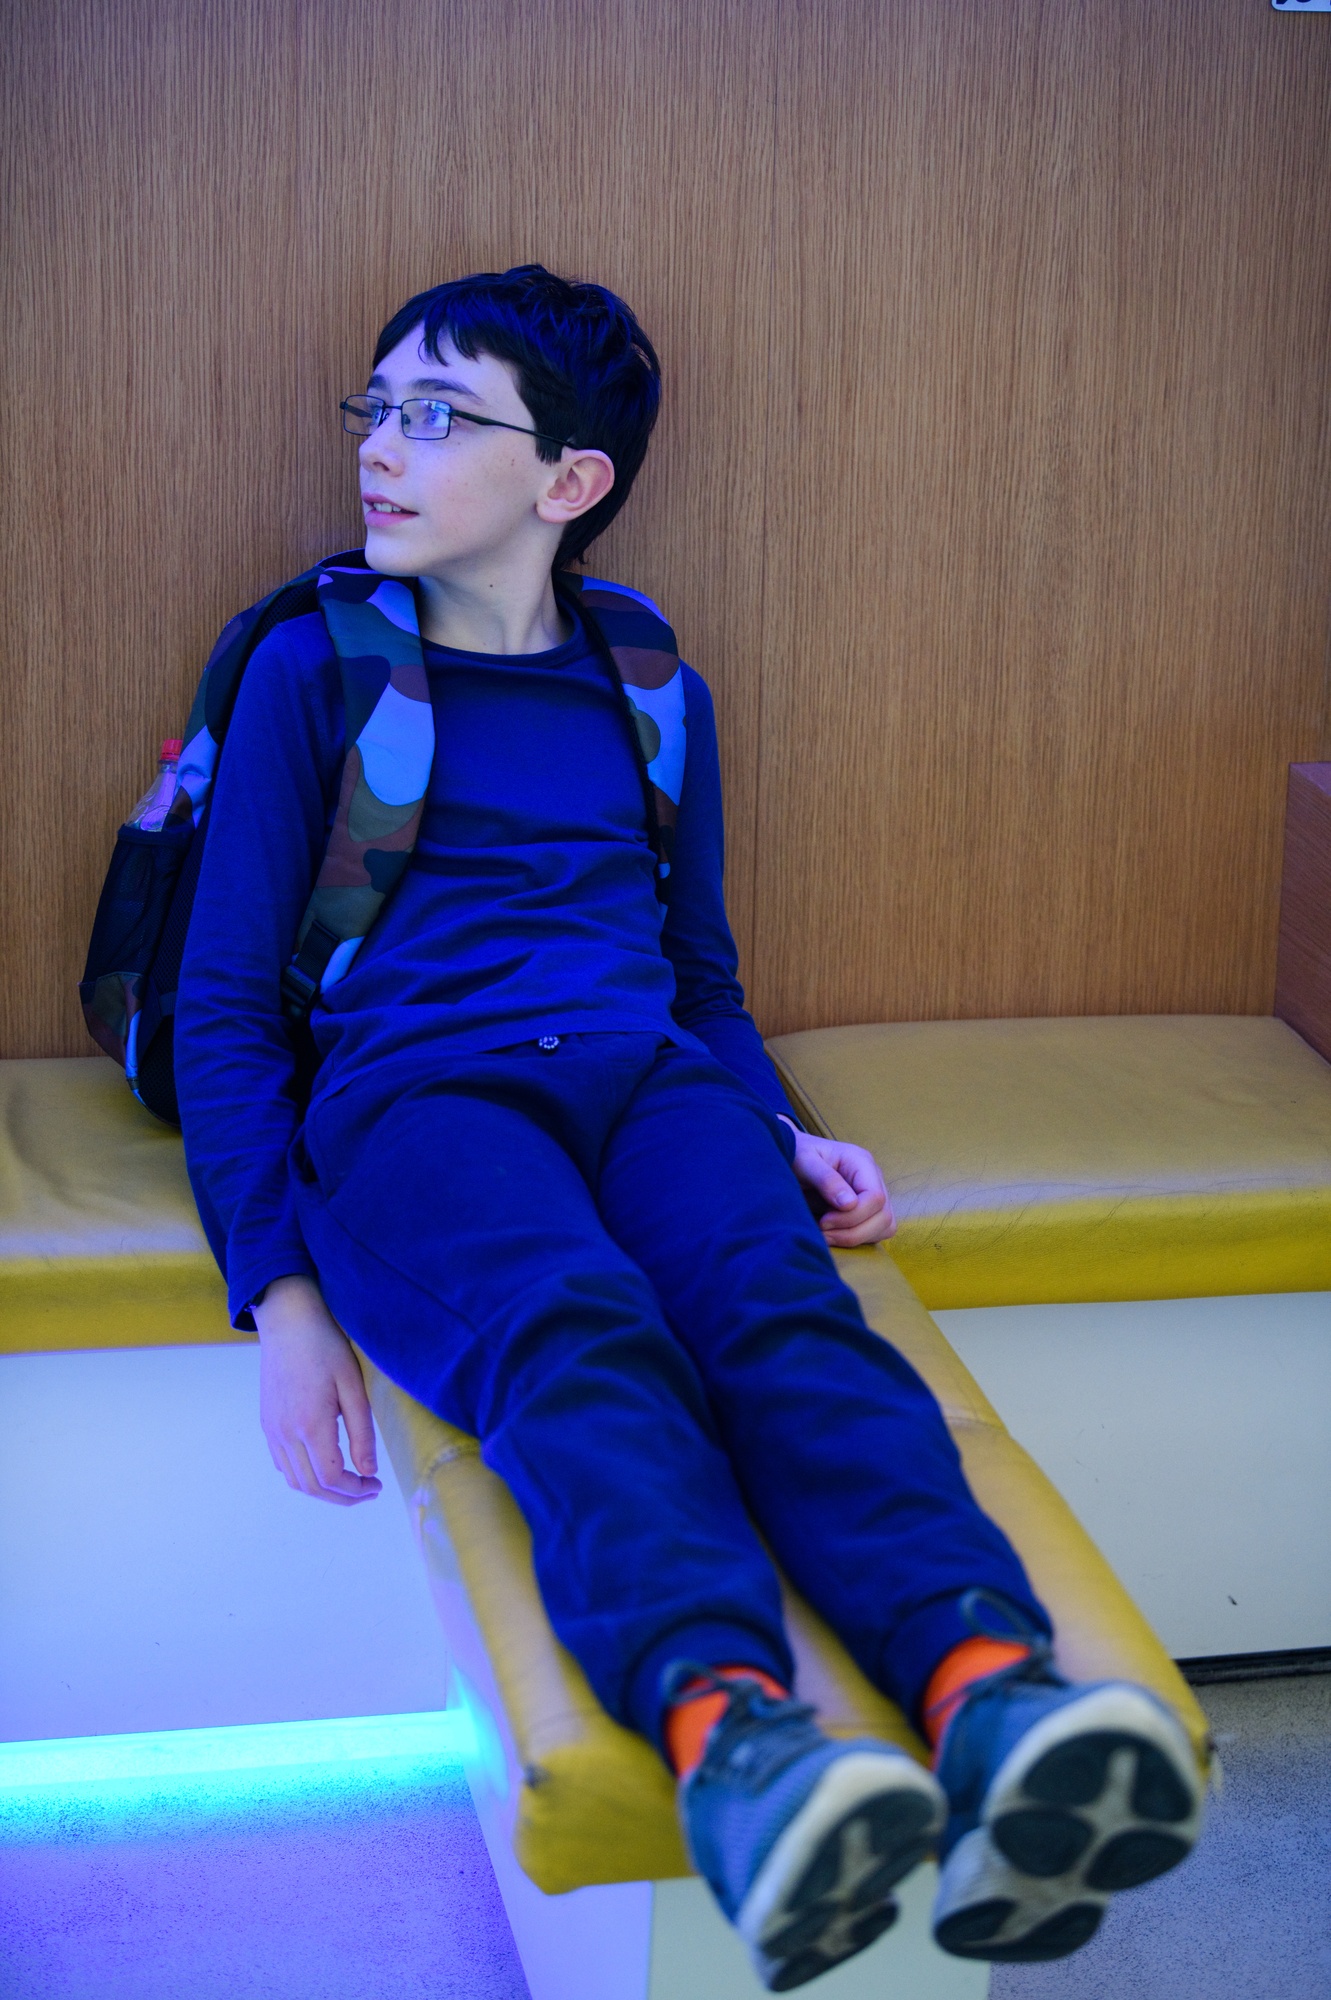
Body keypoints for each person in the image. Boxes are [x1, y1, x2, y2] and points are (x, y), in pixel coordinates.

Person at [176, 265, 1203, 1990]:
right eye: (379, 407)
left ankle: (989, 1696)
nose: (381, 449)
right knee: (580, 1328)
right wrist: (280, 1299)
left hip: (651, 1078)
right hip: (417, 1100)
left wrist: (777, 1127)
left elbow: (703, 979)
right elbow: (224, 1009)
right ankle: (739, 1740)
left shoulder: (649, 683)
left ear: (569, 479)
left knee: (782, 1313)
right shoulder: (317, 669)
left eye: (439, 416)